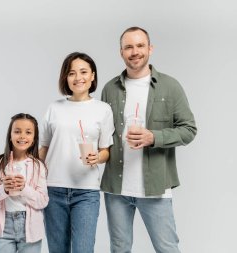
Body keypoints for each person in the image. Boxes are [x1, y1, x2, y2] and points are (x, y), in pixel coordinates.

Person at [101, 26, 197, 253]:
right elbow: (103, 134)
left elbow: (189, 130)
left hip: (155, 188)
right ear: (121, 52)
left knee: (167, 248)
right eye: (128, 47)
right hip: (116, 188)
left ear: (150, 48)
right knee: (119, 248)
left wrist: (154, 137)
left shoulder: (170, 86)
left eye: (140, 45)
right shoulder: (109, 89)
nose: (135, 52)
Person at [39, 52, 115, 253]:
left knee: (83, 249)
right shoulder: (54, 108)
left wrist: (98, 157)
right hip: (53, 188)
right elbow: (44, 148)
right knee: (58, 250)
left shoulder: (103, 109)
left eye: (83, 72)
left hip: (86, 192)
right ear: (66, 78)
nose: (78, 77)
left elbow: (106, 150)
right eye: (71, 73)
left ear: (92, 76)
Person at [0, 113, 49, 253]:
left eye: (28, 132)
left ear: (33, 139)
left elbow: (43, 201)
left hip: (30, 228)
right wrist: (4, 190)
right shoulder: (0, 164)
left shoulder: (38, 166)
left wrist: (24, 188)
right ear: (10, 135)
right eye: (17, 131)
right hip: (5, 227)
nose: (22, 136)